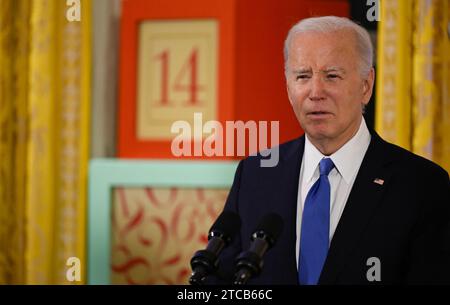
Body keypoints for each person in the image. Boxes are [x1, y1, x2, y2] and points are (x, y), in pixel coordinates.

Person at [206, 16, 450, 285]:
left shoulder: (422, 184)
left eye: (332, 76)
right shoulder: (256, 173)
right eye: (303, 76)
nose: (315, 92)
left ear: (366, 86)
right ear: (288, 88)